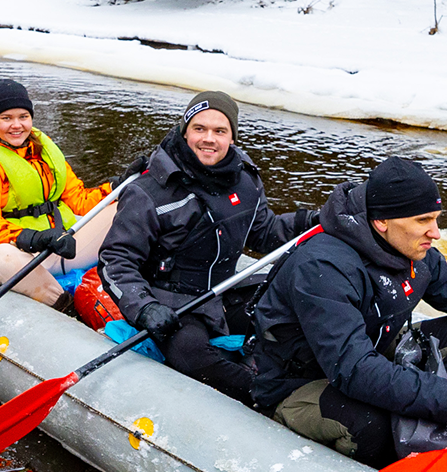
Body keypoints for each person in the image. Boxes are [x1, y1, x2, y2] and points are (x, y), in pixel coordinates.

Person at [250, 156, 447, 468]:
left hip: (372, 352)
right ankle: (389, 458)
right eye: (423, 220)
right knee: (372, 425)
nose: (436, 232)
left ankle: (423, 427)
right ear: (382, 221)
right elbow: (354, 370)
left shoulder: (411, 250)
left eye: (435, 218)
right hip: (303, 381)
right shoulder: (323, 267)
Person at [98, 91, 311, 404]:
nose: (209, 139)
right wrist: (144, 307)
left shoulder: (245, 178)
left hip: (225, 290)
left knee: (291, 313)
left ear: (232, 138)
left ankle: (306, 380)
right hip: (172, 302)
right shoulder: (149, 191)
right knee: (189, 353)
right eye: (199, 129)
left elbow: (263, 232)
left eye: (220, 131)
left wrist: (311, 220)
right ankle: (271, 398)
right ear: (185, 132)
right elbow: (115, 260)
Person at [0, 77, 112, 305]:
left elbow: (79, 200)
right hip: (23, 254)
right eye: (6, 118)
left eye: (23, 117)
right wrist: (33, 238)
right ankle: (63, 305)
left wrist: (115, 187)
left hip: (63, 245)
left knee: (124, 205)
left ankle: (126, 278)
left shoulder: (43, 148)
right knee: (2, 258)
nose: (16, 125)